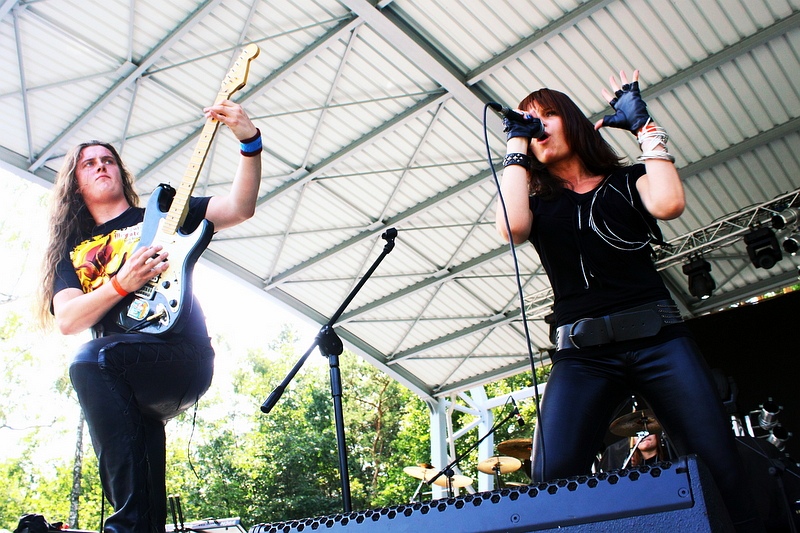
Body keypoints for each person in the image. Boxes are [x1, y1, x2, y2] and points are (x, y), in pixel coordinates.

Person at [495, 70, 761, 530]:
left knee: (718, 462)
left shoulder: (626, 181)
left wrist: (645, 128)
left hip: (658, 338)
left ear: (574, 122)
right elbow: (510, 228)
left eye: (547, 115)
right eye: (527, 121)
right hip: (581, 354)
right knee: (550, 477)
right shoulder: (537, 205)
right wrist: (516, 149)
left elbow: (668, 203)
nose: (535, 126)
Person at [37, 100, 262, 532]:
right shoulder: (74, 256)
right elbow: (68, 320)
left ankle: (126, 529)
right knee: (102, 379)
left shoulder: (162, 216)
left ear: (122, 173)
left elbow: (238, 207)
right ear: (75, 184)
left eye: (108, 160)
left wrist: (249, 141)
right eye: (88, 164)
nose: (101, 166)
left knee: (92, 360)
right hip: (121, 370)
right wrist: (121, 282)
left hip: (180, 354)